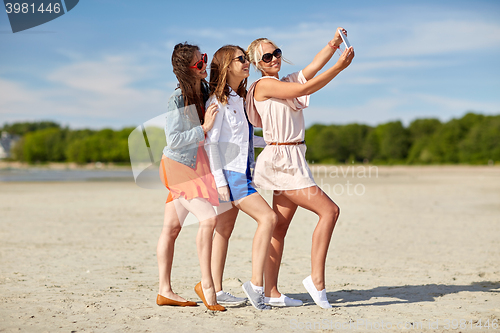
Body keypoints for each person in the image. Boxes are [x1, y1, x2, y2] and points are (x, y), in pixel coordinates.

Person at [245, 29, 354, 309]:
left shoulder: (285, 80)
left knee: (279, 228)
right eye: (266, 57)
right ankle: (316, 281)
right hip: (282, 159)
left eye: (277, 53)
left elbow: (313, 67)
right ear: (257, 64)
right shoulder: (263, 86)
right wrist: (339, 68)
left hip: (294, 155)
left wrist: (333, 45)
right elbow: (305, 90)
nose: (273, 59)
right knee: (330, 211)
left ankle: (271, 292)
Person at [204, 45, 278, 310]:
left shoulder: (240, 98)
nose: (247, 62)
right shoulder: (217, 101)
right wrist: (221, 183)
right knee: (268, 217)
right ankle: (256, 286)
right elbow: (212, 144)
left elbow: (243, 138)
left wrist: (273, 141)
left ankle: (214, 288)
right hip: (231, 176)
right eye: (241, 59)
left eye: (246, 59)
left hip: (243, 170)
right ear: (226, 65)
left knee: (223, 230)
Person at [156, 42, 225, 311]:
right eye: (199, 63)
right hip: (177, 165)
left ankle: (165, 292)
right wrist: (204, 128)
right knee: (208, 218)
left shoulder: (206, 89)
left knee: (171, 229)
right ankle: (207, 286)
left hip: (196, 165)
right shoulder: (177, 99)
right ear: (186, 70)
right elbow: (173, 140)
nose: (204, 65)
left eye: (204, 58)